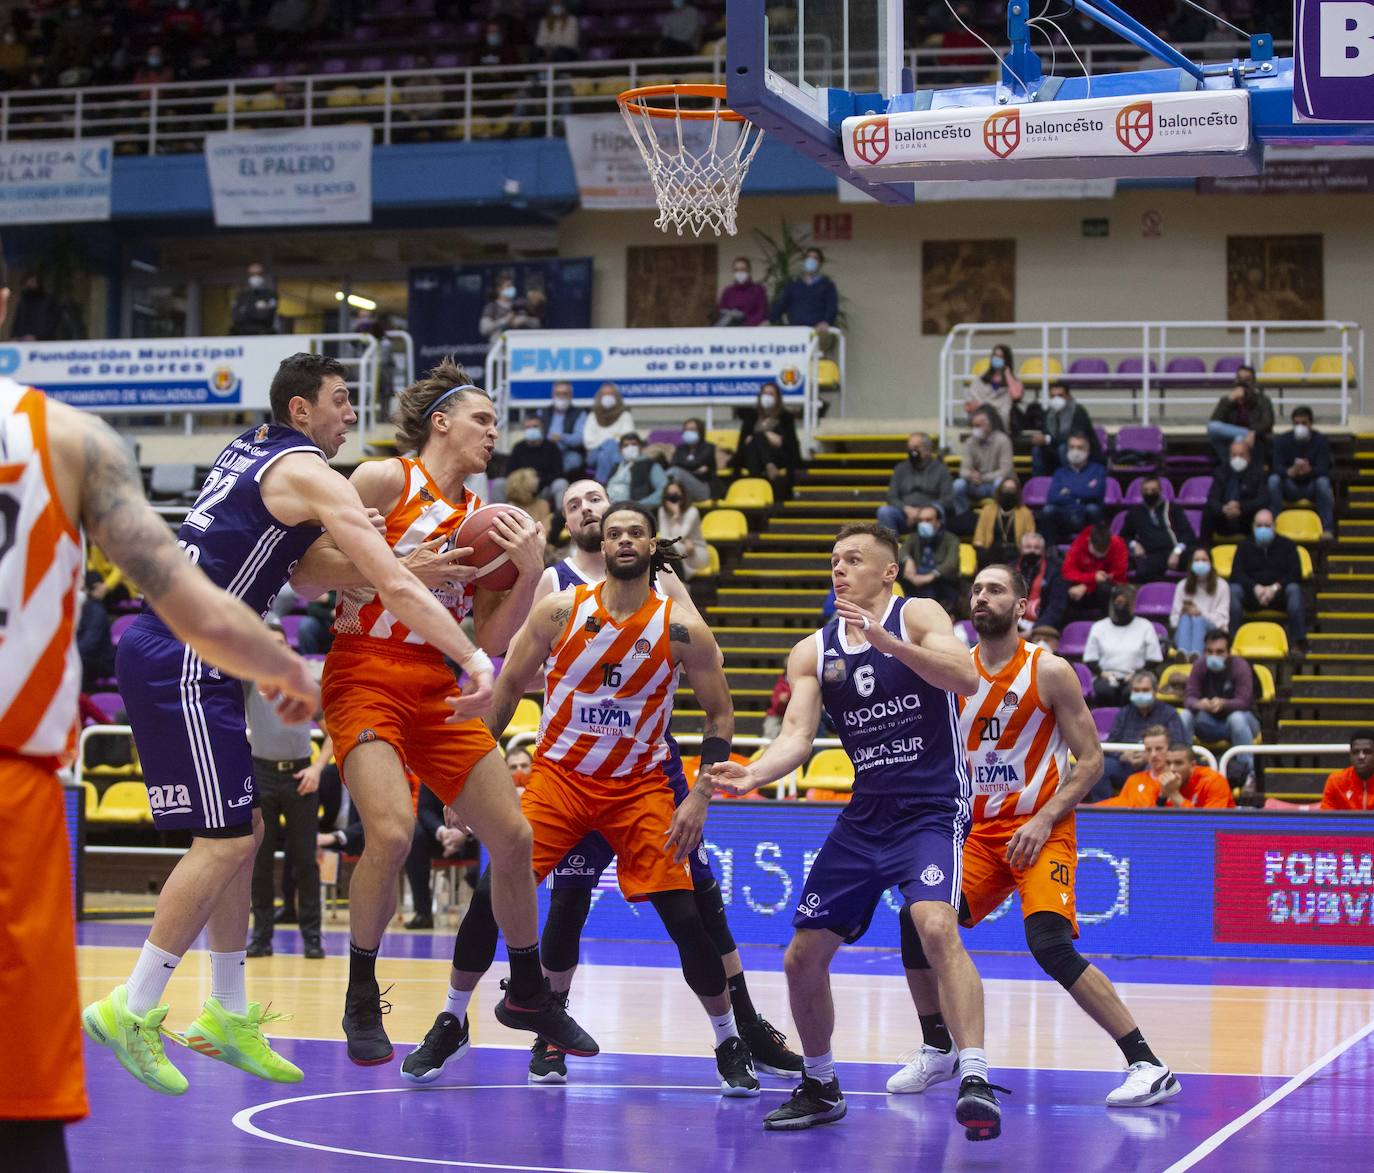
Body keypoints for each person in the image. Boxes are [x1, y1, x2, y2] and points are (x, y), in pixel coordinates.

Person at [0, 351, 321, 1168]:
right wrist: (279, 665)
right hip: (13, 782)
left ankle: (221, 1006)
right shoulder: (68, 436)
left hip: (24, 773)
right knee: (20, 1100)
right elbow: (178, 590)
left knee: (241, 832)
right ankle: (152, 1006)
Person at [404, 502, 764, 1097]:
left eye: (635, 532)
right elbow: (507, 688)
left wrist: (700, 792)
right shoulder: (559, 610)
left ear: (652, 545)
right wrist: (467, 775)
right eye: (614, 531)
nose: (623, 539)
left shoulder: (681, 628)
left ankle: (728, 1040)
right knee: (489, 899)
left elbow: (721, 713)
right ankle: (451, 1020)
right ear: (602, 543)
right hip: (559, 781)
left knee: (686, 920)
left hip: (640, 788)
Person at [311, 358, 593, 1065]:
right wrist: (393, 568)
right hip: (364, 670)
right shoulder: (384, 479)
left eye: (497, 423)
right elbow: (305, 569)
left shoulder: (484, 522)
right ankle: (360, 991)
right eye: (482, 419)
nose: (494, 433)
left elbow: (490, 639)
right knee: (391, 831)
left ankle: (527, 990)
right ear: (441, 422)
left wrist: (529, 571)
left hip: (437, 682)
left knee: (515, 837)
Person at [710, 523, 1004, 1139]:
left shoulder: (917, 614)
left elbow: (964, 677)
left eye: (853, 559)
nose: (839, 569)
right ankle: (820, 1084)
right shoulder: (813, 650)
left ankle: (974, 1074)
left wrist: (889, 645)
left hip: (931, 807)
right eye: (834, 560)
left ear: (888, 570)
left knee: (934, 924)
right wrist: (755, 771)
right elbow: (797, 735)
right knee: (801, 958)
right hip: (866, 814)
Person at [887, 565, 1179, 1113]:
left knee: (1049, 945)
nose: (982, 597)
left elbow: (1091, 762)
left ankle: (1148, 1064)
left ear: (1022, 606)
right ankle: (939, 1046)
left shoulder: (1049, 670)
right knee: (915, 920)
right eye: (976, 589)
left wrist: (1044, 819)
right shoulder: (953, 673)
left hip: (1039, 831)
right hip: (977, 836)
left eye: (996, 590)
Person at [245, 619, 329, 961]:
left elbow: (333, 732)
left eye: (280, 643)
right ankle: (261, 937)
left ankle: (312, 938)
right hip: (261, 773)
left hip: (299, 774)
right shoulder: (248, 679)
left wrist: (317, 768)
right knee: (260, 861)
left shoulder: (304, 683)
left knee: (305, 860)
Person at [1178, 629, 1260, 772]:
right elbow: (1189, 698)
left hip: (1243, 723)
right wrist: (1200, 704)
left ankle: (1247, 772)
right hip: (1208, 722)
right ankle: (1184, 768)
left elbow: (1244, 701)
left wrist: (1224, 703)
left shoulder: (1240, 666)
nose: (1214, 656)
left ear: (1229, 652)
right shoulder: (1199, 665)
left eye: (1219, 651)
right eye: (1209, 651)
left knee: (1237, 718)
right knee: (1185, 715)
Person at [1096, 671, 1186, 800]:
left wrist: (1149, 755)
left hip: (1155, 764)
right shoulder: (1124, 713)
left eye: (1145, 690)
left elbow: (1178, 745)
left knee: (1156, 765)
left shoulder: (1170, 713)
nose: (1140, 694)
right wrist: (1123, 755)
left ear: (1155, 691)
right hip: (1126, 764)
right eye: (1136, 690)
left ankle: (1152, 807)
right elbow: (1111, 743)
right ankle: (1103, 809)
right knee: (1100, 767)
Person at [1228, 508, 1306, 652]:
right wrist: (1255, 588)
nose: (1263, 529)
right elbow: (1236, 574)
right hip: (1252, 596)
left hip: (1279, 596)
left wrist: (1274, 588)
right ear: (1253, 526)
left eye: (1267, 525)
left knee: (1294, 589)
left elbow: (1295, 573)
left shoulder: (1288, 545)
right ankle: (1231, 642)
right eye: (1259, 525)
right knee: (1234, 590)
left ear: (1274, 526)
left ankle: (1297, 643)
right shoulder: (1244, 546)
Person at [404, 784, 481, 929]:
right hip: (441, 836)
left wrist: (466, 832)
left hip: (475, 838)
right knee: (415, 836)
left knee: (493, 837)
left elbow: (488, 810)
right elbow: (424, 811)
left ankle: (485, 916)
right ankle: (423, 913)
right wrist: (443, 833)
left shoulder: (480, 773)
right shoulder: (431, 773)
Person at [1102, 733, 1234, 809]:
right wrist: (1163, 797)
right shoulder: (1166, 783)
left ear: (1193, 765)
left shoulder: (1214, 781)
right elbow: (1154, 824)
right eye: (1169, 763)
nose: (1172, 769)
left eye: (1178, 763)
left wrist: (1175, 795)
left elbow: (1210, 826)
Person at [1083, 585, 1163, 707]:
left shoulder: (1145, 626)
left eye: (1127, 604)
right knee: (1105, 691)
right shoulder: (1099, 627)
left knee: (1130, 692)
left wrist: (1137, 674)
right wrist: (1103, 674)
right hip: (1106, 676)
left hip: (1137, 675)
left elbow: (1154, 658)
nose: (1122, 607)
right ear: (1113, 603)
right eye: (1119, 603)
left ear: (1133, 605)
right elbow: (1090, 659)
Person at [1269, 406, 1334, 537]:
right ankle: (1273, 526)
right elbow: (1275, 467)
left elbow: (1324, 469)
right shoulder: (1282, 440)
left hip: (1311, 487)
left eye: (1304, 423)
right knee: (1273, 480)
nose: (1300, 427)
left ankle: (1327, 529)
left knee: (1323, 482)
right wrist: (1289, 471)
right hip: (1290, 486)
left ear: (1311, 424)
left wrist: (1310, 470)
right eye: (1297, 423)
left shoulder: (1320, 440)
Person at [877, 432, 954, 537]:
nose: (912, 451)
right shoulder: (900, 468)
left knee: (937, 513)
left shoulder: (941, 469)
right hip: (905, 515)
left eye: (916, 447)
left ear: (928, 449)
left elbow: (948, 499)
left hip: (930, 514)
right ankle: (890, 546)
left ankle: (934, 546)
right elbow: (891, 496)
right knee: (884, 512)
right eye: (910, 448)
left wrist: (923, 511)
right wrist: (906, 509)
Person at [1119, 476, 1196, 581]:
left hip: (1174, 551)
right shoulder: (1135, 512)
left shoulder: (1173, 508)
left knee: (1197, 557)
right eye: (1146, 490)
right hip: (1150, 555)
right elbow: (1124, 536)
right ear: (1141, 492)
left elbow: (1187, 533)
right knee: (1141, 569)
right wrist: (1134, 544)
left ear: (1160, 491)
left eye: (1153, 490)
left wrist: (1177, 551)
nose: (1149, 493)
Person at [1052, 522, 1128, 625]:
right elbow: (1067, 571)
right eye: (1096, 551)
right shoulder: (1080, 543)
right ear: (1089, 541)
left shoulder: (1118, 544)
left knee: (1105, 588)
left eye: (1103, 553)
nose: (1099, 556)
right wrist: (1092, 577)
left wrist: (1087, 586)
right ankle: (1065, 626)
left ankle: (1108, 624)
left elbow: (1119, 576)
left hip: (1104, 590)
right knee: (1061, 584)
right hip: (1080, 587)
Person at [1040, 432, 1107, 545]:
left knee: (1093, 509)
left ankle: (1095, 547)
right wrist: (1083, 492)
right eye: (1072, 447)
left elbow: (1095, 494)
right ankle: (1050, 549)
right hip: (1064, 516)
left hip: (1085, 516)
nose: (1075, 451)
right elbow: (1052, 497)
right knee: (1048, 510)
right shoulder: (1060, 472)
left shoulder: (1098, 470)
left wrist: (1068, 491)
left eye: (1080, 447)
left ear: (1087, 450)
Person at [732, 382, 801, 491]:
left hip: (777, 456)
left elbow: (791, 445)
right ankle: (769, 465)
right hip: (751, 455)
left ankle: (755, 485)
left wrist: (780, 441)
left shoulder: (785, 417)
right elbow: (742, 443)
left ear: (777, 398)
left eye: (771, 394)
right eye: (764, 393)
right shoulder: (751, 416)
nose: (767, 397)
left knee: (756, 438)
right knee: (756, 441)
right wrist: (767, 436)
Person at [1200, 439, 1268, 545]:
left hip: (1246, 518)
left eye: (1241, 455)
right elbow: (1212, 498)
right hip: (1224, 518)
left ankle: (1257, 551)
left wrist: (1240, 507)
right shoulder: (1221, 472)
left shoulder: (1258, 473)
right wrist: (1224, 509)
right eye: (1234, 455)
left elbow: (1263, 499)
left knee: (1261, 514)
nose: (1237, 458)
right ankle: (1203, 550)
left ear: (1249, 456)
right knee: (1208, 512)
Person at [770, 247, 838, 350]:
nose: (811, 260)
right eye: (808, 257)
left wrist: (826, 322)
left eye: (815, 258)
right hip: (796, 332)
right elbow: (782, 304)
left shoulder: (827, 285)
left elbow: (832, 306)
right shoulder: (794, 284)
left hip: (817, 332)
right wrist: (769, 320)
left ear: (820, 263)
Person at [899, 503, 961, 614]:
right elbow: (902, 551)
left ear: (938, 522)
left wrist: (931, 576)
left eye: (928, 520)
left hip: (940, 583)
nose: (924, 524)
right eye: (921, 520)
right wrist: (908, 560)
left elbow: (951, 563)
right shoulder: (914, 537)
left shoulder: (951, 539)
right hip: (916, 581)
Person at [1028, 382, 1101, 476]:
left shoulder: (1078, 412)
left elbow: (1075, 437)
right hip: (1055, 452)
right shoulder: (1048, 413)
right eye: (1053, 396)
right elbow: (1045, 433)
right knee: (1037, 450)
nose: (1056, 399)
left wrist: (1047, 439)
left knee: (1063, 448)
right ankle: (1038, 481)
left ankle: (1069, 478)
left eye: (1060, 395)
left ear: (1068, 396)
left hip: (1081, 451)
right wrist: (1039, 439)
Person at [1170, 548, 1230, 658]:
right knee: (1185, 618)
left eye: (1204, 560)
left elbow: (1222, 620)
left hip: (1213, 634)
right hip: (1184, 634)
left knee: (1199, 620)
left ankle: (1196, 656)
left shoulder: (1222, 586)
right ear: (1191, 564)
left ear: (1211, 563)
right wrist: (1182, 615)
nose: (1200, 563)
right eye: (1196, 560)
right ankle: (1183, 654)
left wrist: (1200, 613)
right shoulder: (1182, 586)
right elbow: (1173, 621)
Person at [952, 410, 1013, 517]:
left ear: (988, 425)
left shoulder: (1003, 440)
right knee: (958, 485)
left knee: (1001, 483)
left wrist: (983, 477)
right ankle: (964, 518)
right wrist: (971, 475)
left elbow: (1005, 471)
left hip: (994, 484)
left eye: (978, 426)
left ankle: (1001, 518)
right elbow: (963, 471)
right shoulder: (970, 442)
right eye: (973, 426)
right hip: (976, 485)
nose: (975, 429)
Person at [505, 414, 569, 505]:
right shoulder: (518, 448)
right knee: (499, 483)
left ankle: (562, 513)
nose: (531, 430)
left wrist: (538, 482)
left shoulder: (552, 447)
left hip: (545, 488)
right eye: (528, 427)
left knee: (561, 483)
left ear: (542, 428)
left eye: (535, 426)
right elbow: (510, 473)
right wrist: (524, 483)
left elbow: (558, 473)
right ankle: (498, 512)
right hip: (521, 489)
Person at [1208, 380, 1276, 466]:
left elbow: (1267, 422)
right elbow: (1215, 422)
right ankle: (1232, 463)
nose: (1239, 398)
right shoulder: (1228, 401)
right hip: (1237, 436)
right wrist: (1229, 400)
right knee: (1213, 427)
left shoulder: (1260, 401)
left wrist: (1254, 431)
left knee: (1239, 439)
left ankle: (1232, 465)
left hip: (1256, 438)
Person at [972, 477, 1034, 568]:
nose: (1008, 492)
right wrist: (981, 550)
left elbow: (1030, 536)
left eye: (1012, 489)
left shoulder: (1026, 513)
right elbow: (979, 535)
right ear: (1000, 490)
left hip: (1016, 553)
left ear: (1017, 492)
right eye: (1005, 488)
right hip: (991, 552)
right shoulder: (988, 510)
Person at [963, 343, 1023, 433]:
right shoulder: (981, 379)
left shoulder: (1012, 380)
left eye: (1001, 357)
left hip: (1000, 416)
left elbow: (1016, 395)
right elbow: (972, 397)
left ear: (1006, 360)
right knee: (982, 414)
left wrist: (1007, 372)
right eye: (995, 356)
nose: (997, 359)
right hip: (982, 412)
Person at [583, 383, 636, 483]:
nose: (607, 397)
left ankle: (602, 483)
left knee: (604, 455)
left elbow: (628, 438)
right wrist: (610, 440)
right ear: (599, 397)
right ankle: (617, 482)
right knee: (610, 444)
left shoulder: (625, 415)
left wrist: (605, 440)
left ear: (616, 397)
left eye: (611, 394)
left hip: (617, 452)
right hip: (594, 453)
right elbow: (588, 441)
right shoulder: (593, 415)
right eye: (605, 394)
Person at [658, 485, 709, 579]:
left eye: (676, 494)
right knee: (664, 550)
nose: (673, 497)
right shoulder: (662, 511)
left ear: (683, 495)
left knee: (670, 550)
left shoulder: (692, 511)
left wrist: (676, 515)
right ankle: (678, 581)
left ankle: (681, 580)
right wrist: (684, 541)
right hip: (679, 549)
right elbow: (664, 538)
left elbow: (680, 536)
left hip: (695, 552)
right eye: (670, 494)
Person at [537, 382, 587, 477]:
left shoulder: (579, 413)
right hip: (545, 450)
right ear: (553, 395)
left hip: (568, 452)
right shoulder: (542, 412)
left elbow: (579, 439)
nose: (561, 397)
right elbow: (537, 432)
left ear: (571, 395)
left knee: (574, 459)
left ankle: (552, 477)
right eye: (558, 394)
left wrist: (561, 437)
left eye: (565, 394)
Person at [606, 431, 667, 507]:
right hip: (608, 506)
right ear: (620, 450)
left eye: (634, 444)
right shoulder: (616, 467)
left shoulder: (650, 466)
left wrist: (640, 505)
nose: (630, 448)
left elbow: (664, 490)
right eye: (626, 445)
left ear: (641, 448)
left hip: (632, 509)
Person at [666, 416, 720, 501]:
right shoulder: (680, 448)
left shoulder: (708, 447)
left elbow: (695, 463)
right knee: (671, 473)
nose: (688, 432)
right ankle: (671, 500)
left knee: (676, 472)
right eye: (686, 430)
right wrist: (693, 470)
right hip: (683, 487)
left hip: (703, 488)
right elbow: (673, 464)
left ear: (700, 431)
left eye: (692, 430)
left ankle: (668, 499)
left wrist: (682, 465)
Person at [1319, 734, 1374, 811]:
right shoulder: (1336, 782)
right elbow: (1326, 816)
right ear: (1350, 755)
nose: (1361, 756)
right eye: (1355, 752)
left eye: (1367, 752)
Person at [716, 256, 769, 327]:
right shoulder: (728, 291)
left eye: (743, 269)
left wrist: (746, 326)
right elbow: (722, 312)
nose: (739, 272)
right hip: (731, 329)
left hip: (752, 328)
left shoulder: (758, 290)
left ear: (749, 271)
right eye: (736, 270)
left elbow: (761, 312)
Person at [229, 261, 279, 335]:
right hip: (242, 333)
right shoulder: (241, 296)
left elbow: (266, 316)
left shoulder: (270, 295)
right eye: (252, 274)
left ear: (264, 275)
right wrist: (256, 310)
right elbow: (237, 317)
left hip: (264, 333)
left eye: (258, 274)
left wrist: (246, 311)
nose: (255, 277)